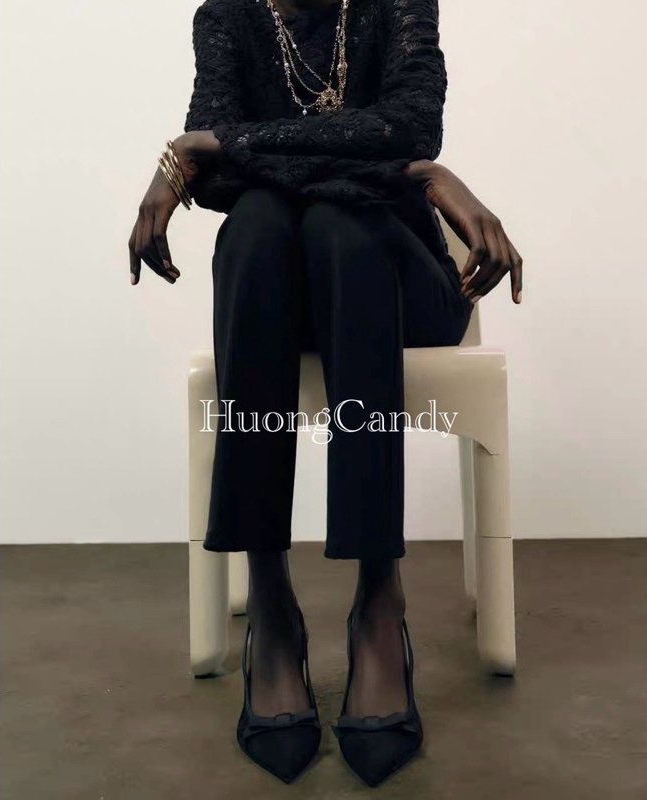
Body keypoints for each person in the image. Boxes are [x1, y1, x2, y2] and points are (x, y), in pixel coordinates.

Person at [128, 0, 522, 787]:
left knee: (338, 224)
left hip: (395, 282)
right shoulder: (227, 17)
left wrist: (219, 146)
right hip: (278, 282)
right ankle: (272, 608)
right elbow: (222, 181)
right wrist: (408, 171)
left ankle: (379, 601)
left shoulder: (397, 5)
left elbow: (411, 125)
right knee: (257, 223)